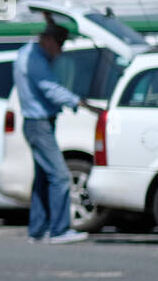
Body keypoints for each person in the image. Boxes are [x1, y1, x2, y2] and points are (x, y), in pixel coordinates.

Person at [13, 23, 101, 245]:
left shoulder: (28, 52)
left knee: (43, 178)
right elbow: (50, 88)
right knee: (60, 177)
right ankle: (59, 230)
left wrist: (50, 21)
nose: (60, 51)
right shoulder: (35, 59)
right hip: (39, 124)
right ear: (49, 40)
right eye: (59, 44)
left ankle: (38, 230)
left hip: (37, 123)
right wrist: (81, 103)